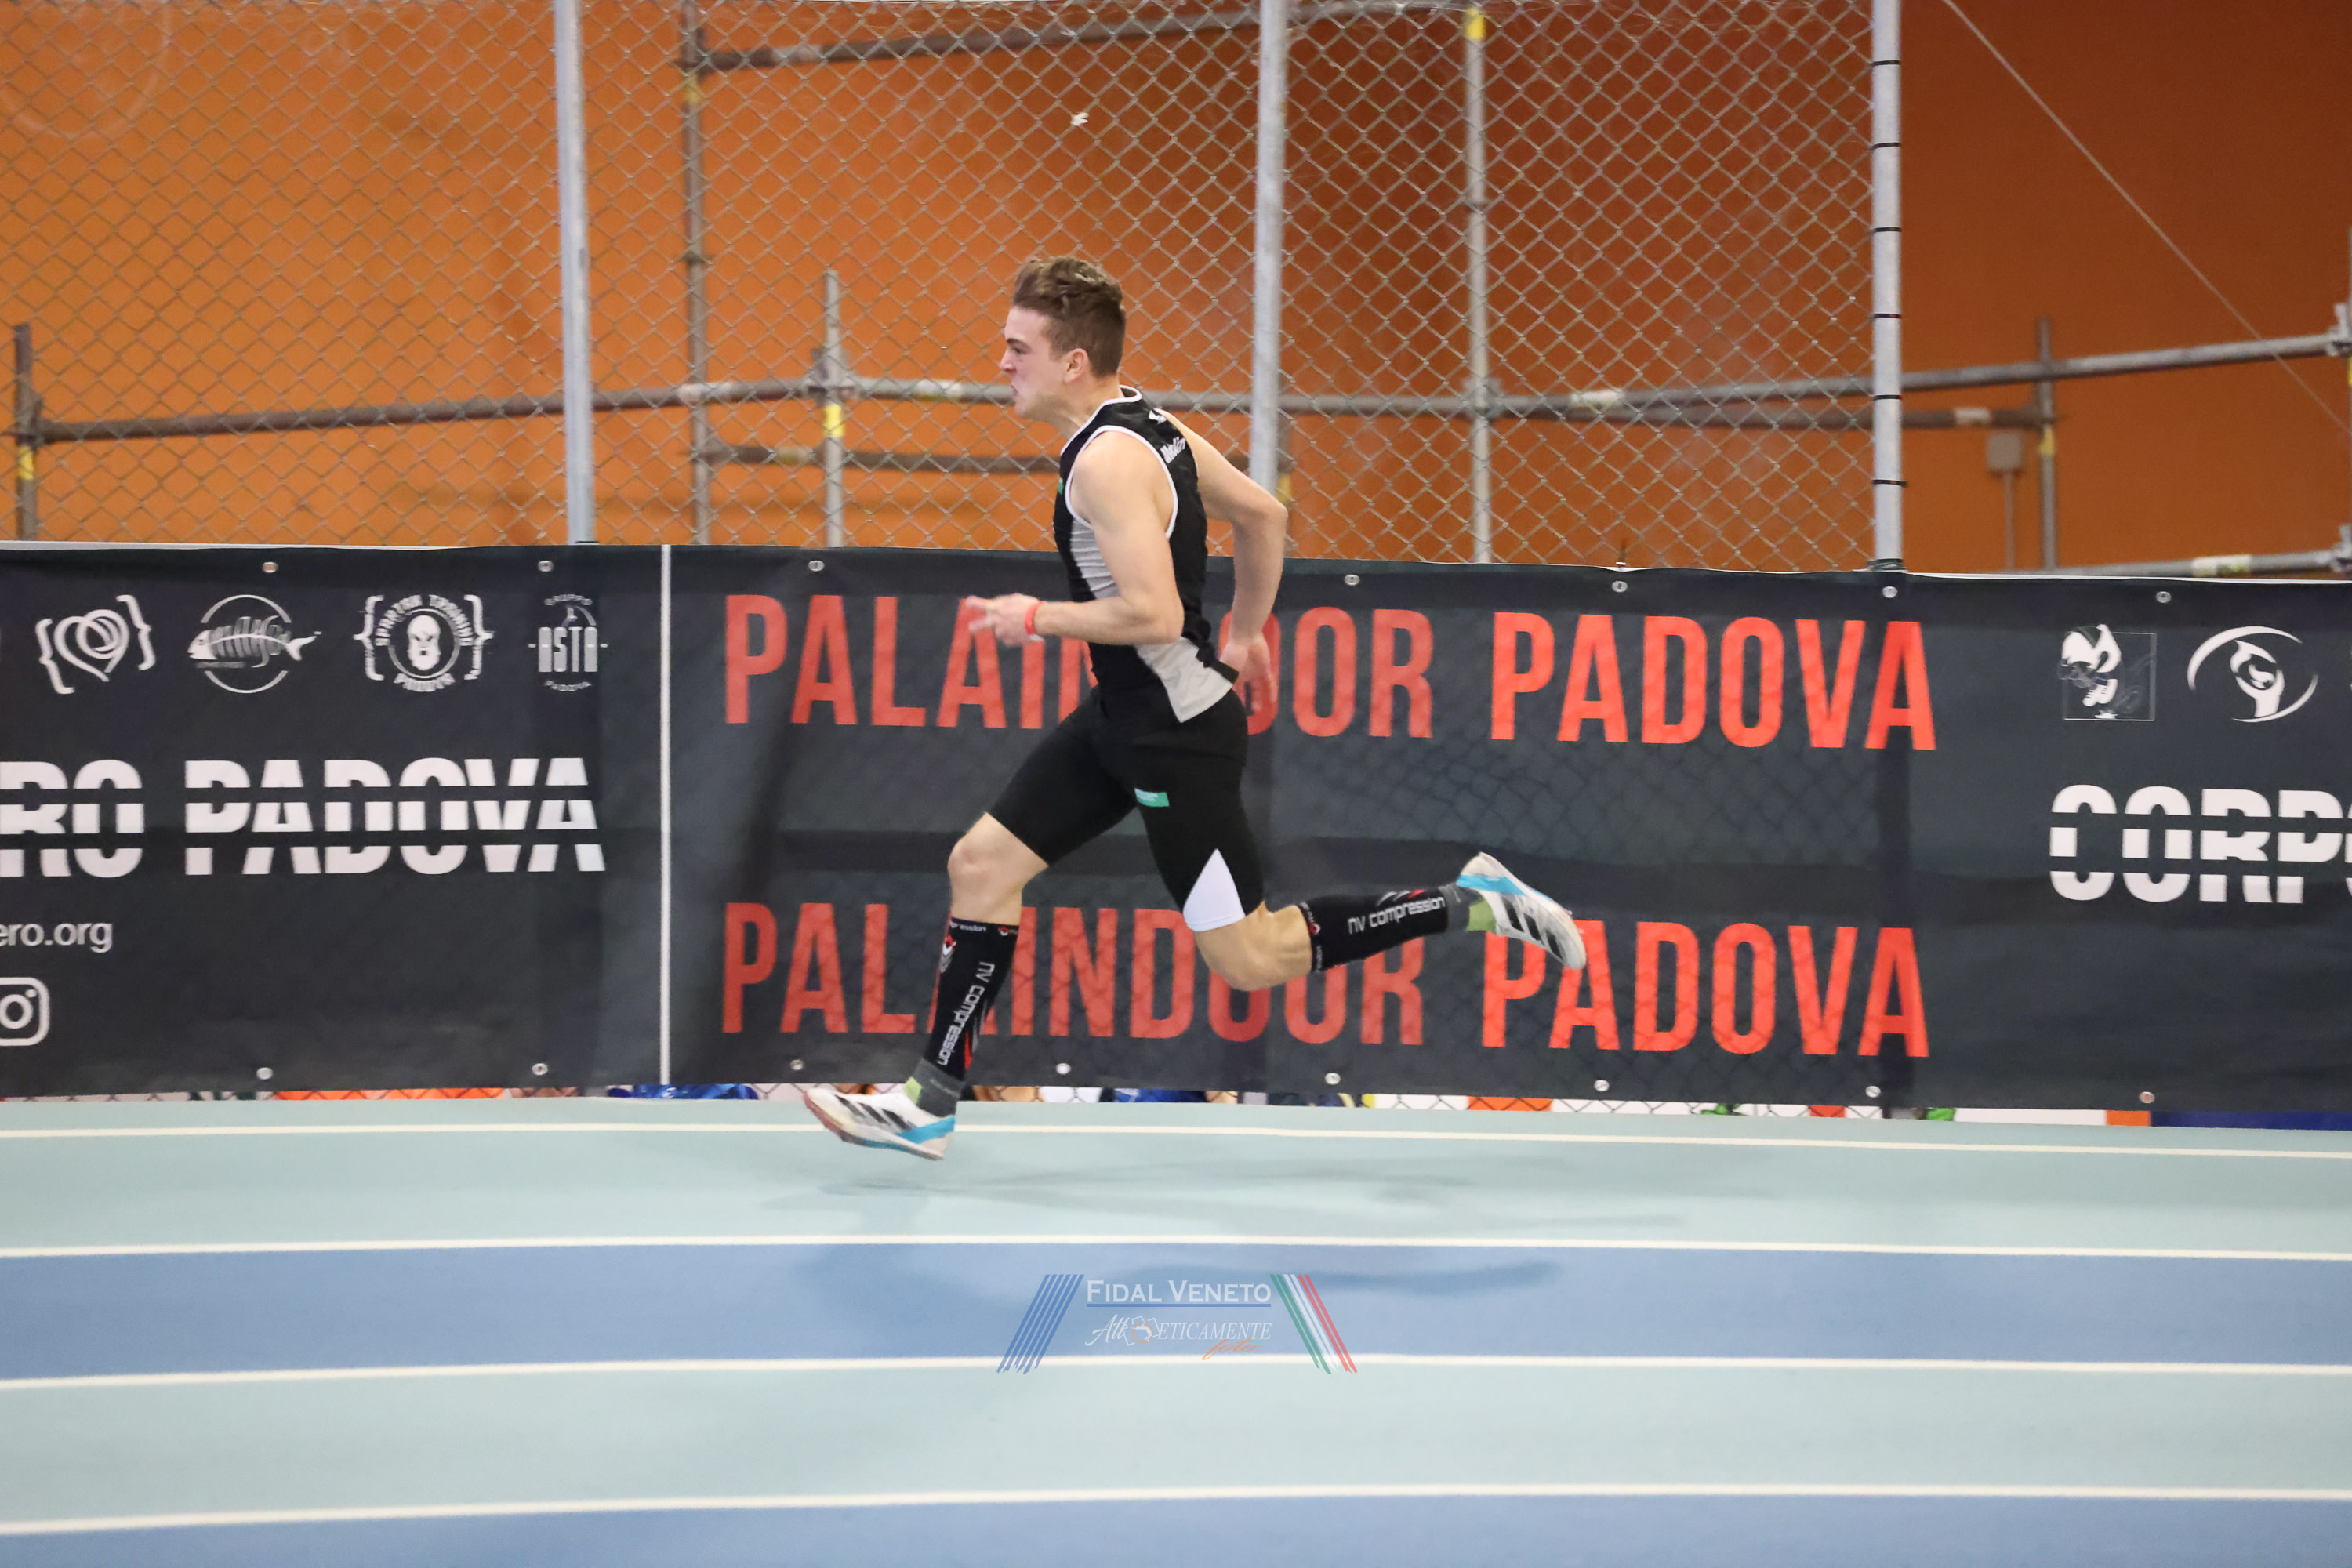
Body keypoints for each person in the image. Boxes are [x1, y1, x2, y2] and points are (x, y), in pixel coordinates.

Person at [802, 257, 1582, 1160]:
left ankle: (1473, 901)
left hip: (1174, 738)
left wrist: (1036, 617)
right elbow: (1263, 515)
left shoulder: (1105, 461)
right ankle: (930, 1102)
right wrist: (1247, 634)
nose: (1002, 362)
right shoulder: (1148, 422)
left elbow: (1156, 614)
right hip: (1124, 715)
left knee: (1250, 958)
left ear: (1074, 362)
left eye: (1019, 347)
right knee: (980, 863)